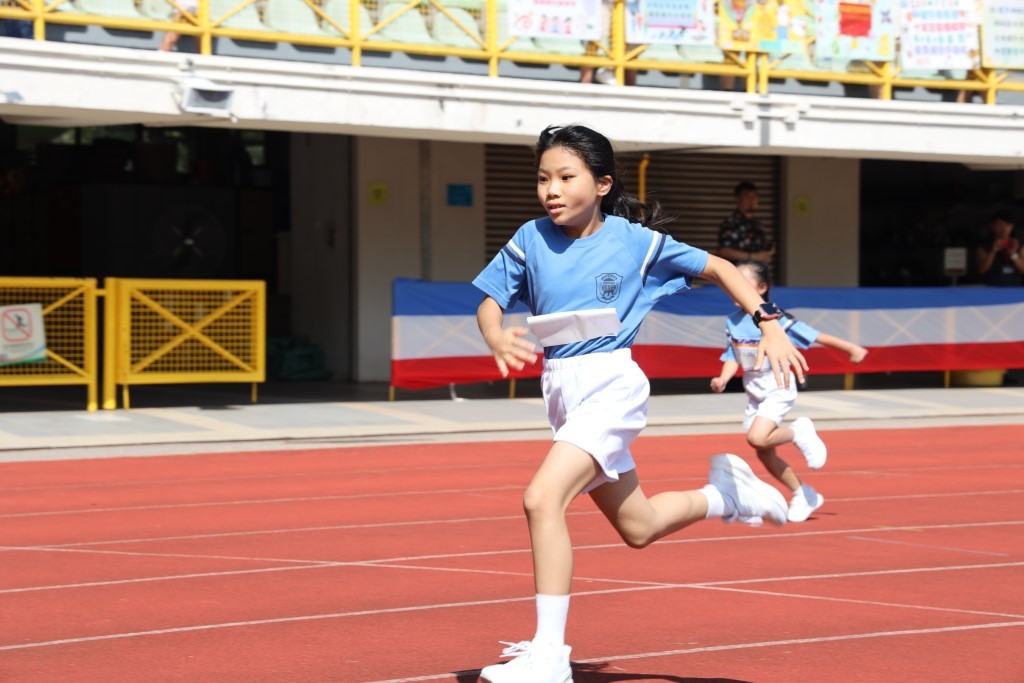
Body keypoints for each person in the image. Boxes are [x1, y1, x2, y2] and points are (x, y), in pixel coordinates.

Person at [472, 124, 808, 682]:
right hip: (562, 389)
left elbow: (721, 268)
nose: (551, 190)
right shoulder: (530, 237)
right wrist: (494, 334)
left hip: (611, 383)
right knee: (639, 526)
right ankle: (725, 495)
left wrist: (768, 323)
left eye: (566, 177)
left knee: (541, 499)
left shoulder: (635, 241)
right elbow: (489, 298)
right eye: (543, 178)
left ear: (602, 184)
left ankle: (549, 656)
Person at [710, 259, 868, 524]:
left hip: (778, 386)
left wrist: (851, 348)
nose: (734, 288)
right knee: (764, 452)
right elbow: (732, 355)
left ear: (762, 288)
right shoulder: (732, 321)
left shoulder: (775, 318)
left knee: (757, 438)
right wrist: (723, 378)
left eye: (743, 283)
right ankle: (803, 494)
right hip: (755, 393)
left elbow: (814, 335)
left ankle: (798, 431)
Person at [718, 181, 776, 264]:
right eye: (747, 196)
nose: (752, 200)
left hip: (759, 269)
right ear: (738, 199)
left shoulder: (758, 224)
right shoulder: (730, 223)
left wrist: (767, 254)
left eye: (754, 196)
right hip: (737, 269)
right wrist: (753, 256)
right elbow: (724, 251)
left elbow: (765, 255)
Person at [974, 209, 1023, 287]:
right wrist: (993, 251)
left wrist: (1013, 254)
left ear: (1012, 227)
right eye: (1000, 225)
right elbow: (981, 270)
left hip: (1014, 289)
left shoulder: (1018, 245)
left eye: (1007, 225)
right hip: (991, 288)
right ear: (992, 226)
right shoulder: (984, 247)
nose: (1004, 229)